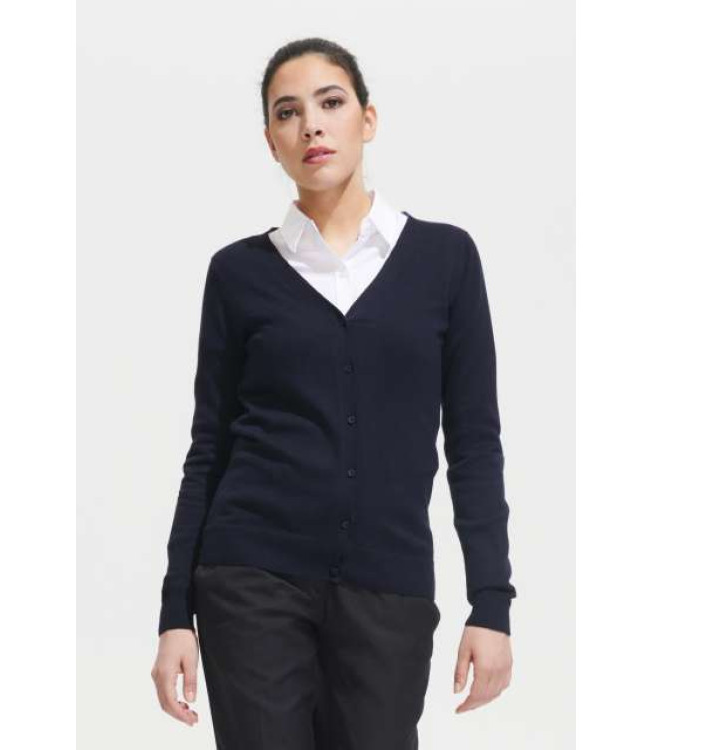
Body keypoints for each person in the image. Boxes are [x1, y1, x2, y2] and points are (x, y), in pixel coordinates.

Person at [151, 37, 517, 749]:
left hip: (389, 587)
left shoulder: (445, 260)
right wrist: (175, 615)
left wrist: (492, 603)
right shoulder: (238, 273)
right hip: (249, 579)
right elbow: (209, 449)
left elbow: (475, 444)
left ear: (367, 119)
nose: (311, 126)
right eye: (287, 113)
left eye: (330, 103)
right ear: (271, 141)